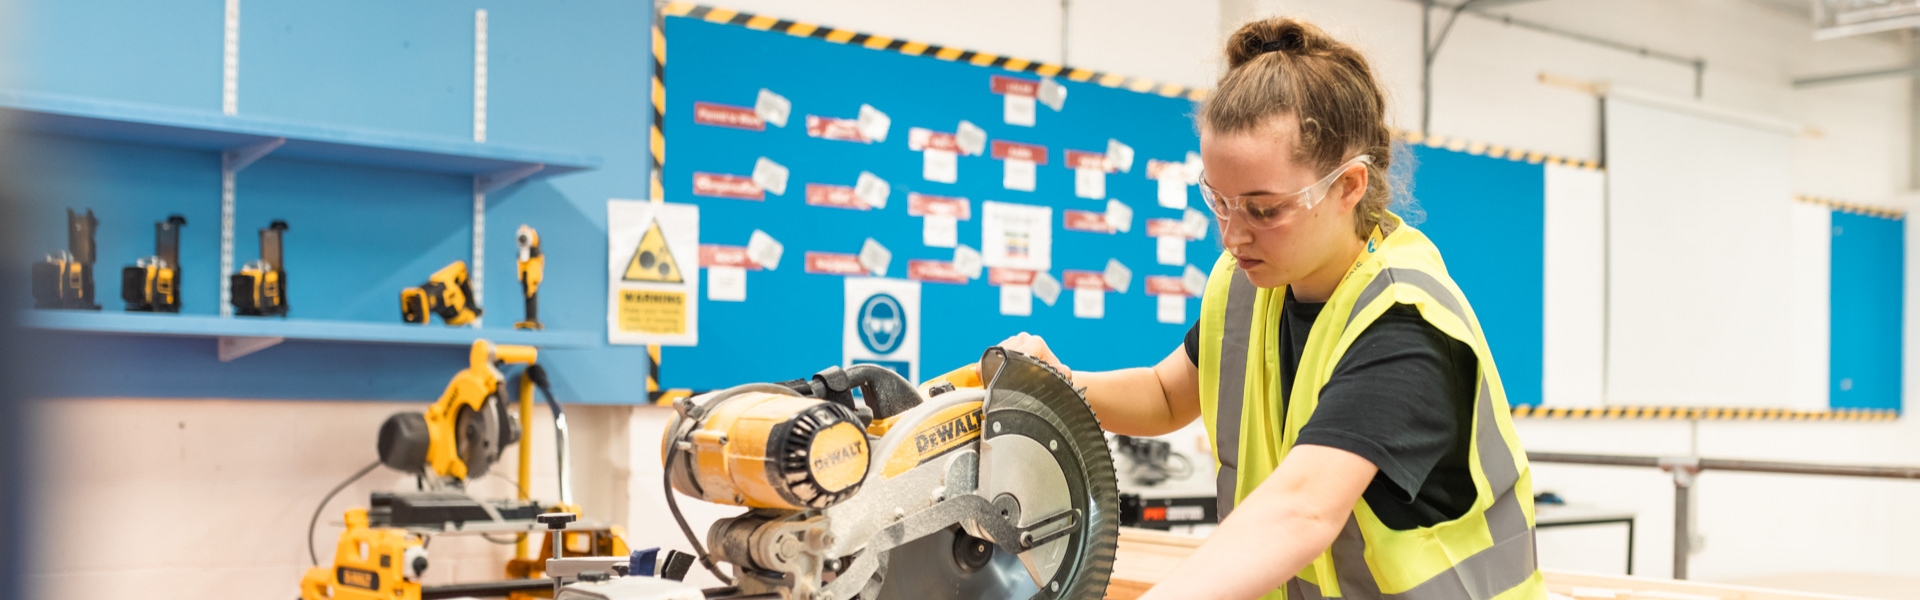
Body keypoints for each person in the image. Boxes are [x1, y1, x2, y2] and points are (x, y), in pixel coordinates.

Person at [998, 16, 1544, 600]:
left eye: (1263, 210)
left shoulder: (1403, 326)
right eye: (1219, 201)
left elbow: (1302, 511)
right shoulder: (1247, 287)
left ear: (1349, 186)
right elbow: (1165, 395)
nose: (1232, 237)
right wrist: (1057, 384)